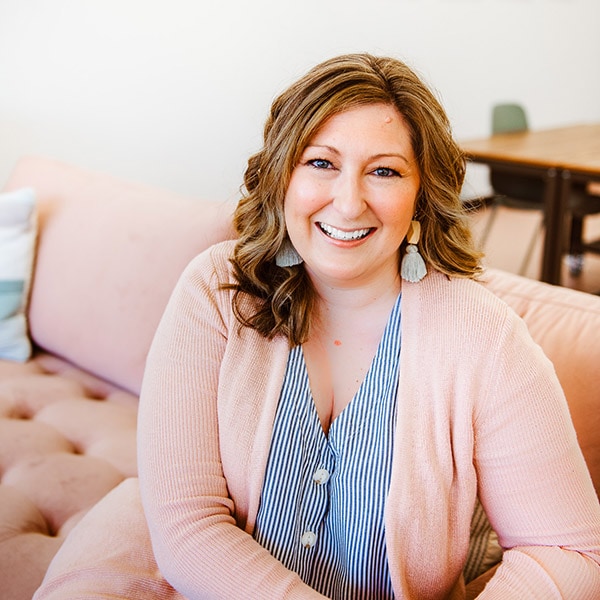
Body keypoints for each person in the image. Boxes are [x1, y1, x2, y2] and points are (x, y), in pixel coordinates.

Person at [39, 53, 600, 599]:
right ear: (283, 174)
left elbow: (568, 550)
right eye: (321, 163)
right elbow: (187, 522)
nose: (349, 202)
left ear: (422, 196)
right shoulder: (215, 291)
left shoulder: (484, 336)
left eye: (384, 171)